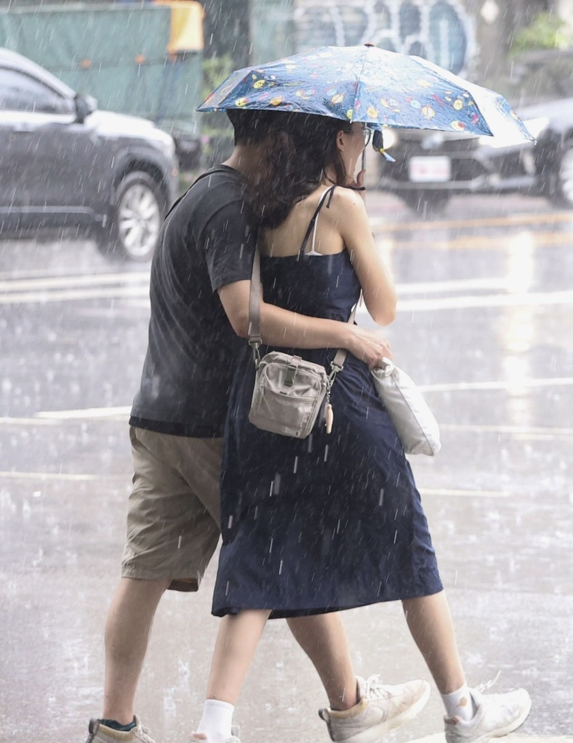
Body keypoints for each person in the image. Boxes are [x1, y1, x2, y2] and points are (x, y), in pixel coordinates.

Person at [190, 114, 532, 743]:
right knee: (410, 548)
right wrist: (362, 232)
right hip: (338, 400)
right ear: (341, 142)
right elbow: (384, 306)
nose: (368, 147)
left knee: (258, 565)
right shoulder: (341, 206)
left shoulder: (260, 207)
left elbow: (256, 313)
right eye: (364, 137)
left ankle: (214, 727)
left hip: (267, 405)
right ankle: (462, 710)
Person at [86, 109, 423, 743]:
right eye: (294, 137)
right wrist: (344, 334)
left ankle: (114, 725)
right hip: (212, 422)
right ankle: (342, 706)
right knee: (281, 557)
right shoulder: (233, 207)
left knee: (143, 577)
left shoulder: (199, 193)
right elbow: (247, 316)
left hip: (159, 415)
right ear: (271, 140)